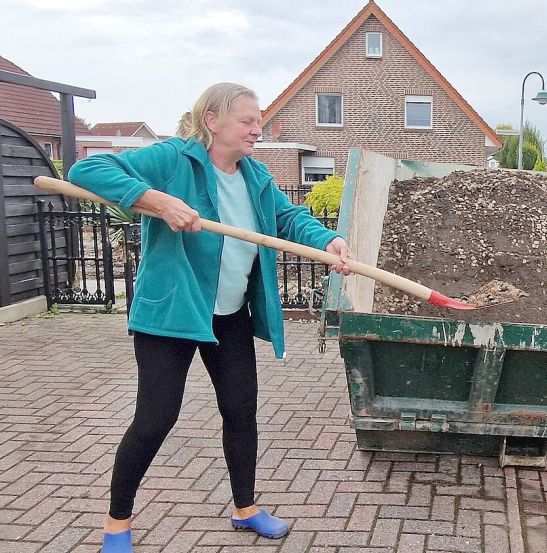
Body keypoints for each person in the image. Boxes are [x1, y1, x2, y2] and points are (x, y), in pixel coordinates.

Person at [67, 83, 351, 553]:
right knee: (155, 418)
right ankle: (117, 523)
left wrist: (326, 241)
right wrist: (156, 201)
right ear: (212, 120)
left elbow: (289, 218)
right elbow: (87, 167)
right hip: (173, 315)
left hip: (230, 314)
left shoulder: (255, 176)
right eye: (247, 121)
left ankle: (244, 508)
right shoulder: (174, 160)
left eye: (258, 121)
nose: (257, 130)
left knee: (241, 411)